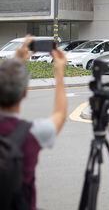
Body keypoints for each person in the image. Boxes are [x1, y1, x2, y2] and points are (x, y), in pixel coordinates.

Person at [0, 37, 68, 210]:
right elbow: (60, 114)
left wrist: (17, 60)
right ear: (24, 93)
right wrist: (59, 73)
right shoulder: (33, 134)